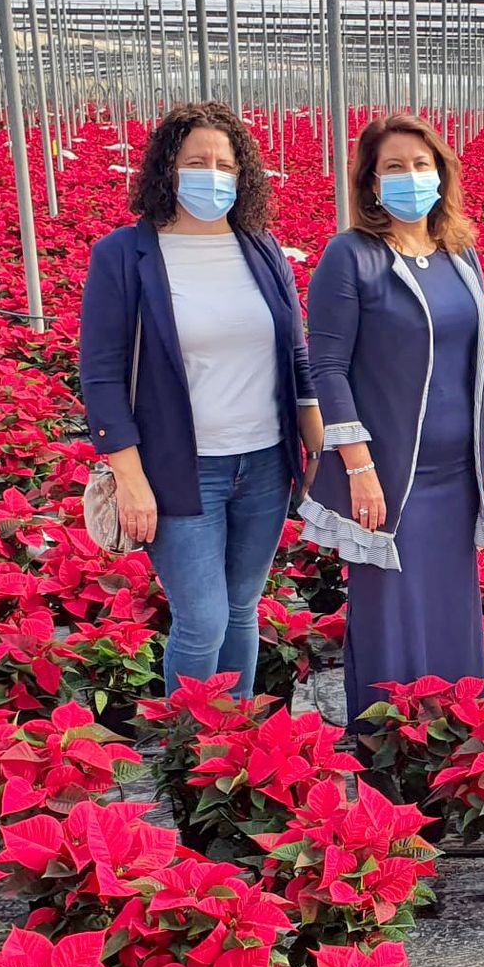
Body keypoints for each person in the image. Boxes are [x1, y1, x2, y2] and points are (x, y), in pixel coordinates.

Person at [79, 101, 323, 700]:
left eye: (224, 163)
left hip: (265, 463)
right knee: (203, 618)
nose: (212, 174)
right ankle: (190, 746)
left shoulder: (261, 250)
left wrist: (320, 451)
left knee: (242, 609)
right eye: (196, 162)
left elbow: (296, 356)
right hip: (179, 470)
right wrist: (130, 478)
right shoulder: (124, 256)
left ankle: (235, 740)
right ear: (168, 169)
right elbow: (103, 374)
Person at [300, 113, 484, 731]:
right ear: (370, 181)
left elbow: (483, 351)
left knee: (450, 606)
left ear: (443, 175)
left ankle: (452, 734)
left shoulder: (458, 251)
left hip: (456, 472)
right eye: (394, 166)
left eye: (422, 165)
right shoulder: (351, 257)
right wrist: (358, 467)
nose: (410, 177)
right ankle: (390, 743)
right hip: (392, 474)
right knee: (390, 610)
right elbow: (328, 367)